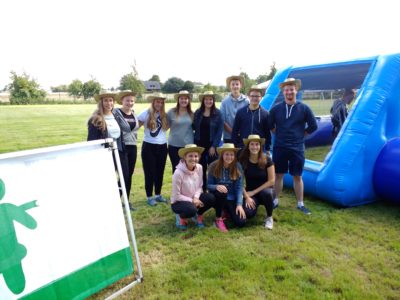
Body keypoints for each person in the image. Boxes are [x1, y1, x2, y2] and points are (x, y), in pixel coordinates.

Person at [268, 78, 318, 215]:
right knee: (278, 175)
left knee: (297, 176)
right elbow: (270, 125)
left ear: (296, 90)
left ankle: (300, 204)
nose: (289, 92)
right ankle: (275, 201)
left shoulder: (304, 108)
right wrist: (279, 133)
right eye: (286, 90)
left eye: (291, 89)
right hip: (280, 146)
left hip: (297, 148)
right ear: (283, 92)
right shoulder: (276, 109)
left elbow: (314, 126)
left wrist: (301, 135)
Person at [87, 91, 129, 201]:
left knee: (125, 177)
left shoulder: (116, 116)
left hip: (119, 152)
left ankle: (116, 199)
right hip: (105, 154)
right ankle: (105, 200)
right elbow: (91, 141)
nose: (108, 103)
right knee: (106, 179)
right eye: (105, 100)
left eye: (110, 100)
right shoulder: (96, 119)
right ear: (101, 102)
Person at [171, 144, 216, 230]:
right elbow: (176, 196)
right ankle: (180, 216)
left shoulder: (199, 167)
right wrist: (192, 200)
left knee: (211, 198)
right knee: (191, 210)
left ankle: (198, 215)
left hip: (194, 198)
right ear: (185, 157)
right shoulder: (178, 173)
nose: (193, 158)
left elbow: (200, 186)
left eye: (196, 156)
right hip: (179, 201)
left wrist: (195, 198)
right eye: (190, 156)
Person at [137, 93, 169, 206]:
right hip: (149, 146)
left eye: (161, 102)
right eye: (157, 102)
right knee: (149, 172)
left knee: (160, 172)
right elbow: (135, 126)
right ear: (153, 102)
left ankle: (158, 195)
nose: (159, 104)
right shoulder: (145, 113)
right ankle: (149, 196)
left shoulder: (165, 115)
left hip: (162, 146)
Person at [239, 135, 275, 229]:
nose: (254, 147)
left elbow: (272, 181)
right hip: (250, 194)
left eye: (257, 144)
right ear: (248, 146)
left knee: (267, 193)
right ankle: (255, 205)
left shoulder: (267, 159)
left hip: (264, 192)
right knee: (248, 214)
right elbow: (239, 181)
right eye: (252, 144)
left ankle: (269, 217)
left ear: (260, 146)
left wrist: (254, 192)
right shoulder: (243, 160)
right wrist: (246, 196)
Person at [207, 143, 246, 232]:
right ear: (222, 155)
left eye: (232, 154)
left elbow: (239, 187)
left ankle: (226, 211)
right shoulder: (213, 166)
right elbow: (208, 186)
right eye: (227, 154)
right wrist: (216, 186)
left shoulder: (238, 166)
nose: (229, 157)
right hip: (218, 197)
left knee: (241, 222)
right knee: (222, 192)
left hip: (231, 198)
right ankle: (219, 218)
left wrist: (239, 204)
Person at [114, 90, 139, 210]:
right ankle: (115, 200)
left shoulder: (134, 113)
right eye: (127, 100)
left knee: (129, 175)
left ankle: (126, 201)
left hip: (133, 147)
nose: (130, 103)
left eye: (132, 100)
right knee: (124, 175)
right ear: (122, 101)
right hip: (121, 148)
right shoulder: (116, 113)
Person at [193, 90, 224, 191]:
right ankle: (202, 189)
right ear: (203, 100)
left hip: (212, 146)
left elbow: (219, 131)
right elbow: (193, 127)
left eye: (210, 99)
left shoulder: (218, 113)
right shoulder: (198, 112)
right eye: (206, 99)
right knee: (200, 168)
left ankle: (213, 189)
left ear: (213, 100)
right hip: (199, 145)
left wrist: (214, 146)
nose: (208, 101)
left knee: (213, 168)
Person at [232, 85, 271, 153]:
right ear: (248, 96)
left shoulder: (265, 114)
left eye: (257, 96)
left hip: (258, 148)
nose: (254, 98)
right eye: (252, 96)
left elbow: (267, 133)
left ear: (261, 97)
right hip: (243, 148)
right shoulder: (241, 112)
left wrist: (267, 148)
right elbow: (235, 131)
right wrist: (235, 146)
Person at [167, 90, 194, 173]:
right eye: (181, 98)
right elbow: (165, 126)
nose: (184, 100)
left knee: (188, 170)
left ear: (188, 100)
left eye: (186, 98)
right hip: (173, 146)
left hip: (188, 146)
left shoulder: (192, 113)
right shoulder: (171, 112)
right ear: (178, 100)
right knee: (176, 170)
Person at [220, 75, 249, 143]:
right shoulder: (224, 102)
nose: (235, 86)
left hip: (243, 136)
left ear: (240, 85)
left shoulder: (247, 101)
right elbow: (222, 120)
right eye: (233, 84)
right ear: (230, 86)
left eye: (237, 84)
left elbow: (249, 119)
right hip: (228, 137)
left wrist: (240, 132)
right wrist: (234, 132)